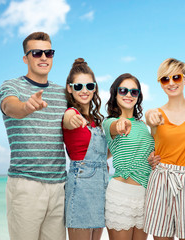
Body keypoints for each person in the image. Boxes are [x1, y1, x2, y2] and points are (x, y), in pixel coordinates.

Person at [0, 32, 67, 240]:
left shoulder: (63, 94)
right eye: (37, 53)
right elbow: (11, 107)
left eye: (49, 52)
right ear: (26, 59)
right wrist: (26, 106)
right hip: (26, 185)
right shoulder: (11, 87)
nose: (44, 57)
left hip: (59, 187)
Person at [143, 58, 185, 240]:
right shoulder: (155, 114)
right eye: (165, 79)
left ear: (184, 80)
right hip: (162, 180)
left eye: (176, 77)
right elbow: (149, 119)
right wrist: (149, 115)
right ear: (161, 84)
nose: (171, 83)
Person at [103, 73, 154, 240]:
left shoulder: (143, 126)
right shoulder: (109, 122)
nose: (128, 95)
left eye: (134, 92)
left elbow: (148, 155)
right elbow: (114, 127)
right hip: (120, 196)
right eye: (123, 90)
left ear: (138, 96)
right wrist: (120, 124)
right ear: (115, 93)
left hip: (145, 196)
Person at [62, 58, 108, 240]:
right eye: (78, 86)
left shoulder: (97, 120)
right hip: (81, 184)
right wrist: (72, 119)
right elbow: (68, 119)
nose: (84, 91)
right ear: (69, 88)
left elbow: (102, 154)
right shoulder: (71, 113)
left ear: (95, 87)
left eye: (89, 86)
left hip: (102, 184)